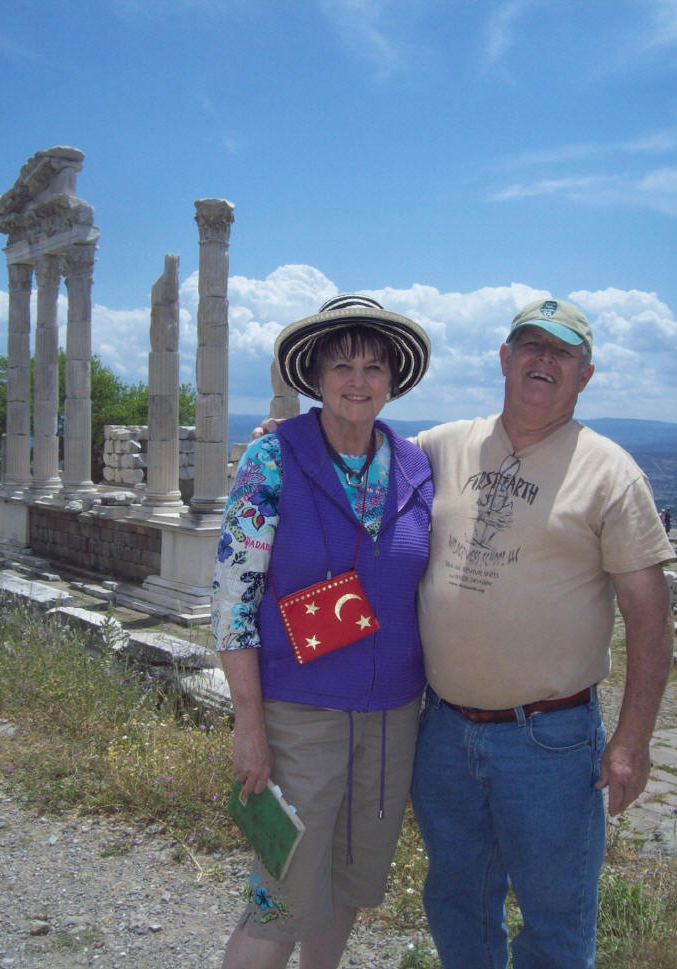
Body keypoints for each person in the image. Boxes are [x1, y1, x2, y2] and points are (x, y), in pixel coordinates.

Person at [410, 297, 675, 969]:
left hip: (549, 740)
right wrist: (292, 440)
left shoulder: (609, 472)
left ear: (585, 374)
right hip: (443, 730)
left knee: (555, 922)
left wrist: (631, 742)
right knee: (457, 900)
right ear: (504, 357)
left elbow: (650, 616)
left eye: (562, 352)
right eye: (531, 345)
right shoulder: (441, 446)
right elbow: (356, 460)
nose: (543, 360)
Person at [211, 294, 433, 969]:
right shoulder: (272, 460)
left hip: (391, 718)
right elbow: (233, 603)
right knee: (279, 898)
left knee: (347, 887)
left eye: (373, 366)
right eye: (342, 366)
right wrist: (249, 724)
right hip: (298, 717)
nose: (358, 381)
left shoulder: (417, 467)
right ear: (314, 375)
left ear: (393, 379)